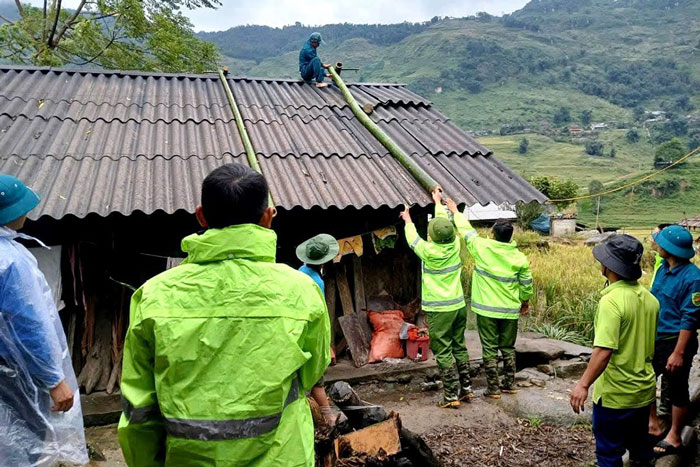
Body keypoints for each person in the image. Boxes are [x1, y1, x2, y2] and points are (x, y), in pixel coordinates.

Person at [118, 163, 331, 466]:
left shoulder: (153, 295)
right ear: (267, 218)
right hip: (282, 456)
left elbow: (139, 408)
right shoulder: (301, 289)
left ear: (201, 216)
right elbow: (312, 370)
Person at [0, 174, 88, 466]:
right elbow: (28, 324)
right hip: (12, 375)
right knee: (18, 446)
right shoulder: (11, 261)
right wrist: (54, 380)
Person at [570, 235, 659, 467]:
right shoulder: (651, 300)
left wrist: (582, 384)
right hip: (642, 391)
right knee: (640, 448)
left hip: (614, 396)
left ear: (608, 266)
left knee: (609, 454)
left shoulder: (611, 302)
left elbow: (603, 351)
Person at [449, 205, 533, 399]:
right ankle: (509, 383)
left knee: (489, 347)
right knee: (508, 347)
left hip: (486, 311)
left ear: (493, 235)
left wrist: (455, 211)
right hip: (510, 311)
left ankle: (493, 388)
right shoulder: (519, 257)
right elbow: (527, 284)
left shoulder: (481, 247)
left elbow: (466, 231)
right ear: (510, 237)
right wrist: (525, 302)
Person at [401, 189, 472, 408]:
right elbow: (443, 224)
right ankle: (466, 390)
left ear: (432, 237)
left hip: (440, 310)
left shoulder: (428, 251)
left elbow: (412, 238)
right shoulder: (455, 245)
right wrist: (438, 204)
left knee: (442, 351)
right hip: (459, 306)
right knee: (459, 346)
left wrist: (407, 219)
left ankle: (451, 396)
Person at [648, 225, 700, 457]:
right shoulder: (662, 269)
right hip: (656, 338)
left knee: (678, 388)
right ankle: (654, 423)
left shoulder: (693, 278)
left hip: (677, 342)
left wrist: (678, 352)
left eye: (659, 242)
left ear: (669, 249)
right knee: (645, 378)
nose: (656, 244)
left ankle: (675, 436)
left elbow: (690, 317)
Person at [296, 233, 340, 426]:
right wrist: (327, 344)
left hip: (298, 329)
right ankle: (328, 416)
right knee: (316, 378)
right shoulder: (317, 282)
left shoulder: (300, 271)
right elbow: (319, 316)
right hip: (311, 332)